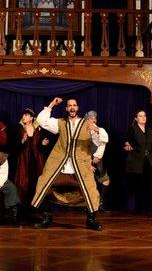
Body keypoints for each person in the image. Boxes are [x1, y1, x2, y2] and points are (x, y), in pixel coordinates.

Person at [31, 97, 103, 231]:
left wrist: (97, 152)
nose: (72, 107)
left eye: (74, 105)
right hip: (61, 163)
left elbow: (101, 141)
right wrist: (52, 104)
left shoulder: (87, 124)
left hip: (80, 164)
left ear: (78, 108)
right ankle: (47, 217)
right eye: (69, 105)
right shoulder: (61, 123)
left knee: (90, 189)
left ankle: (91, 219)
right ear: (66, 109)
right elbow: (41, 121)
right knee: (44, 184)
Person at [124, 109, 152, 218]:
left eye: (144, 115)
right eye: (140, 116)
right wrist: (127, 145)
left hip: (148, 161)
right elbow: (126, 141)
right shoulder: (132, 129)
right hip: (136, 162)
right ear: (136, 118)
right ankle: (138, 208)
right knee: (138, 186)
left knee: (151, 187)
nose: (143, 117)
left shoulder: (150, 129)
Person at [14, 108, 49, 217]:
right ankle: (23, 213)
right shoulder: (19, 129)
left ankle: (37, 211)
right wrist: (22, 141)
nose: (24, 117)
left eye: (26, 115)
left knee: (36, 183)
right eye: (23, 115)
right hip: (24, 161)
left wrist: (43, 144)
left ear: (32, 117)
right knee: (23, 184)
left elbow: (41, 148)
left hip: (36, 161)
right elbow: (15, 148)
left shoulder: (39, 129)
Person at [84, 110, 110, 212]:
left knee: (105, 180)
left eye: (95, 118)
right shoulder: (83, 131)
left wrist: (97, 156)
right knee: (88, 182)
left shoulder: (100, 130)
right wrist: (88, 162)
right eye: (91, 118)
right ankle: (88, 205)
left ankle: (99, 203)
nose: (93, 120)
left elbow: (104, 141)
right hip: (85, 159)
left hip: (97, 160)